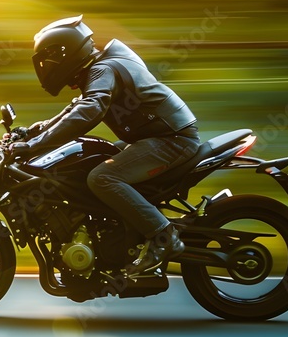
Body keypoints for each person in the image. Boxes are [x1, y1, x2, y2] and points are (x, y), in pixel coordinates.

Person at [10, 15, 201, 275]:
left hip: (171, 140)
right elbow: (76, 108)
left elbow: (89, 110)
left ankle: (163, 236)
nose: (47, 66)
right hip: (158, 136)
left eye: (50, 59)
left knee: (102, 177)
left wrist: (34, 145)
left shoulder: (104, 69)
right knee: (96, 159)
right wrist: (34, 131)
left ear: (66, 53)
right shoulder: (101, 67)